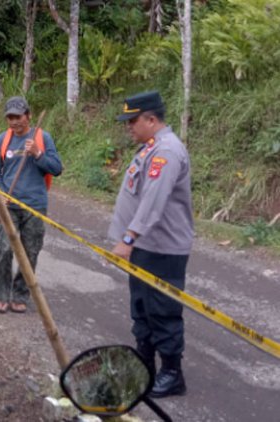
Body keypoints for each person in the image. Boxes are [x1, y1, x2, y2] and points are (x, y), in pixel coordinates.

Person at [109, 91, 194, 398]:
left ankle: (172, 374)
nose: (128, 127)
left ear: (151, 119)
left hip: (162, 249)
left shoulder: (167, 152)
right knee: (142, 308)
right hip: (145, 248)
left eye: (132, 121)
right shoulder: (150, 148)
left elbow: (153, 201)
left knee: (163, 311)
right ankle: (144, 365)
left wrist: (129, 238)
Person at [0, 96, 63, 313]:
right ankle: (2, 294)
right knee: (3, 249)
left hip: (34, 205)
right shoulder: (1, 141)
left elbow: (57, 168)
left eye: (18, 117)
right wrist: (1, 191)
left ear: (28, 116)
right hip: (9, 205)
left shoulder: (42, 138)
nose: (14, 122)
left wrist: (37, 154)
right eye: (10, 117)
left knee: (30, 252)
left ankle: (20, 294)